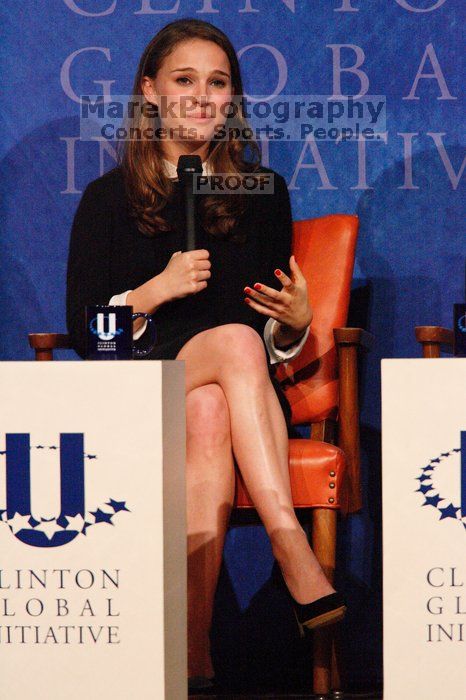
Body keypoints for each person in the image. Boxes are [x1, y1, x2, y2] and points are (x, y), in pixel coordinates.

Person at [66, 18, 345, 690]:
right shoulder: (108, 199)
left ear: (231, 100)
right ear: (151, 92)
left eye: (216, 83)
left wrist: (296, 323)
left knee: (216, 406)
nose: (200, 95)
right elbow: (84, 330)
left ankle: (192, 656)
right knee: (230, 351)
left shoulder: (263, 193)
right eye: (184, 80)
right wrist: (152, 292)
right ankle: (290, 542)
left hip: (234, 394)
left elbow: (269, 332)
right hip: (139, 393)